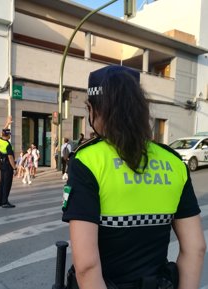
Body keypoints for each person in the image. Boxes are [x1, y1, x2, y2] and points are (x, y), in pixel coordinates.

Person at [62, 65, 206, 289]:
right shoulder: (173, 162)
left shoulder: (87, 161)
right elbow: (196, 248)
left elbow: (87, 266)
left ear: (92, 109)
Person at [0, 116, 16, 208]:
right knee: (7, 184)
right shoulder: (7, 145)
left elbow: (2, 132)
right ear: (8, 136)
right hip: (8, 166)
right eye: (9, 135)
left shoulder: (0, 141)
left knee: (2, 183)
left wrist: (7, 123)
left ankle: (0, 201)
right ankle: (5, 202)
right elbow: (10, 157)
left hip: (2, 165)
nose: (10, 136)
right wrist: (15, 168)